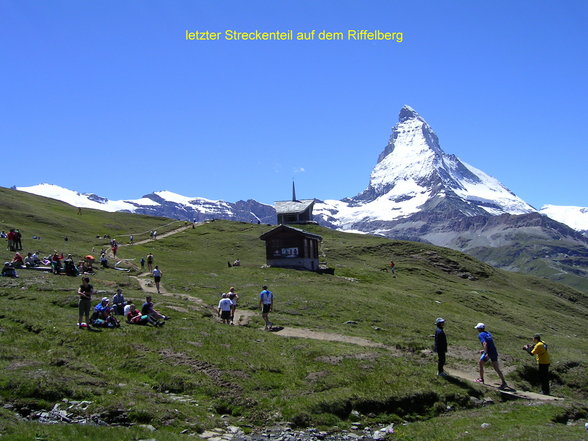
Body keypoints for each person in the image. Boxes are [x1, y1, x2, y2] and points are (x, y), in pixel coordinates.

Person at [474, 323, 508, 389]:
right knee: (496, 368)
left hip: (489, 353)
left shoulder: (481, 335)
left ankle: (481, 379)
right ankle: (504, 382)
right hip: (494, 351)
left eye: (477, 328)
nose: (477, 329)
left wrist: (485, 352)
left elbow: (485, 343)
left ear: (479, 329)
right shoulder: (488, 333)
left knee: (481, 363)